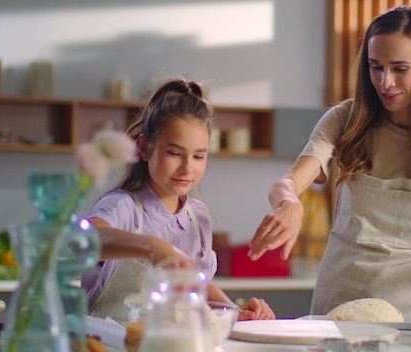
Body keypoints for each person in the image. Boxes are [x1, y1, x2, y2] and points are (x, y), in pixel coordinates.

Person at [248, 6, 411, 319]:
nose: (385, 81)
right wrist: (290, 203)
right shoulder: (344, 120)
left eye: (400, 69)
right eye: (375, 67)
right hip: (338, 308)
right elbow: (288, 182)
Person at [81, 78, 275, 322]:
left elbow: (197, 286)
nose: (187, 168)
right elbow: (85, 239)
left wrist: (235, 314)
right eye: (174, 153)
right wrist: (151, 247)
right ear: (144, 148)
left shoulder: (198, 218)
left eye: (198, 157)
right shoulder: (123, 206)